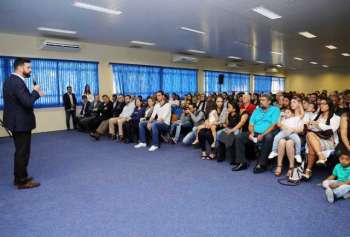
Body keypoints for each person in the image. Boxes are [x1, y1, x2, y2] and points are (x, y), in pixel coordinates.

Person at [2, 57, 44, 189]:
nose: (30, 70)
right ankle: (21, 181)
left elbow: (20, 101)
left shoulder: (9, 80)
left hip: (15, 121)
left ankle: (20, 176)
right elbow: (27, 102)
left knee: (20, 151)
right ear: (20, 68)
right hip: (20, 123)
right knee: (22, 152)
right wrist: (36, 92)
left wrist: (33, 94)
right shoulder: (17, 83)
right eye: (28, 67)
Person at [232, 94, 280, 173]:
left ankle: (261, 164)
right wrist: (252, 133)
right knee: (239, 137)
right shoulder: (256, 110)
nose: (261, 102)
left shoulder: (275, 110)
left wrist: (262, 134)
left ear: (269, 102)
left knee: (269, 137)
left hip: (267, 133)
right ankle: (242, 162)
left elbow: (273, 125)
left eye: (263, 100)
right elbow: (251, 125)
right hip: (255, 133)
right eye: (260, 100)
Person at [303, 98, 341, 180]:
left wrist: (317, 124)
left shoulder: (336, 118)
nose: (321, 105)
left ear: (329, 105)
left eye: (324, 104)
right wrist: (309, 125)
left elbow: (331, 130)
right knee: (310, 135)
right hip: (315, 139)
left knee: (310, 139)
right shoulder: (317, 115)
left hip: (329, 141)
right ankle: (320, 157)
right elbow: (312, 129)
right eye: (320, 104)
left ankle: (308, 170)